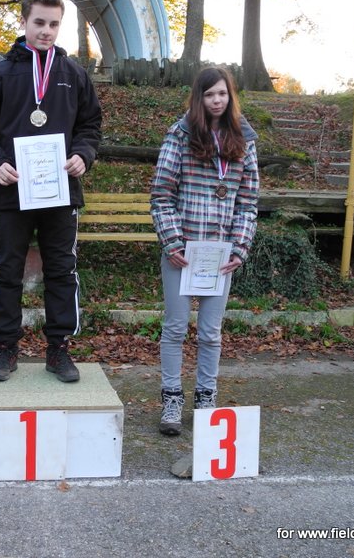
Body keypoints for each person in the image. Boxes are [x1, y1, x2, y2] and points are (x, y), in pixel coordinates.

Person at [0, 0, 102, 383]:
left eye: (54, 24)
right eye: (39, 22)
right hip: (11, 192)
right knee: (7, 270)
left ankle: (59, 348)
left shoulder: (74, 75)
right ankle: (6, 348)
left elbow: (91, 126)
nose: (46, 31)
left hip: (60, 192)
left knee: (62, 270)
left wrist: (83, 155)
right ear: (23, 21)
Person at [150, 66, 259, 436]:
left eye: (222, 94)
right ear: (199, 98)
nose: (216, 100)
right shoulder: (180, 135)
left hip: (220, 256)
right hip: (182, 253)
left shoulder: (244, 139)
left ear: (231, 96)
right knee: (176, 327)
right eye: (210, 94)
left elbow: (248, 202)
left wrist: (240, 248)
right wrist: (172, 242)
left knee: (211, 332)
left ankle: (206, 399)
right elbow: (161, 194)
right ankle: (171, 399)